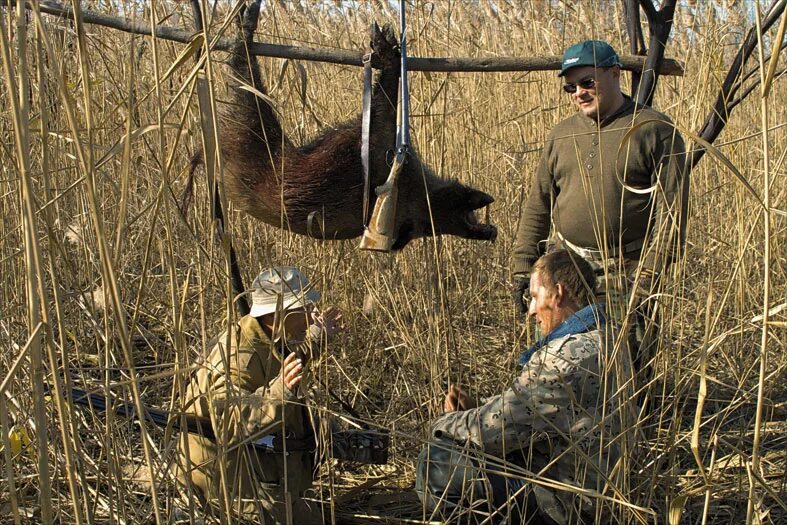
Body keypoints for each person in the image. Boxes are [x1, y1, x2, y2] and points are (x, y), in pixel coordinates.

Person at [511, 39, 689, 377]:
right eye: (570, 87)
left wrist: (648, 277)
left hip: (627, 269)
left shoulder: (653, 129)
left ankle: (628, 424)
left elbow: (673, 215)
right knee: (553, 362)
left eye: (587, 82)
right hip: (566, 267)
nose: (579, 92)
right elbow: (538, 204)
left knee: (624, 368)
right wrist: (523, 269)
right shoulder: (561, 135)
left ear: (614, 74)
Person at [417, 250, 635, 524]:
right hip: (600, 492)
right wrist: (481, 405)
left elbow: (491, 433)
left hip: (569, 505)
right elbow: (539, 406)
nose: (530, 310)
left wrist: (445, 423)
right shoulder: (609, 337)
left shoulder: (565, 356)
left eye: (533, 297)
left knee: (437, 463)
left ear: (557, 293)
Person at [176, 267, 343, 524]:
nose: (312, 318)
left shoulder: (266, 334)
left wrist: (317, 337)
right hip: (227, 483)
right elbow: (229, 421)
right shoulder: (239, 357)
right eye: (305, 311)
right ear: (277, 314)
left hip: (255, 463)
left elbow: (285, 360)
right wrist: (280, 393)